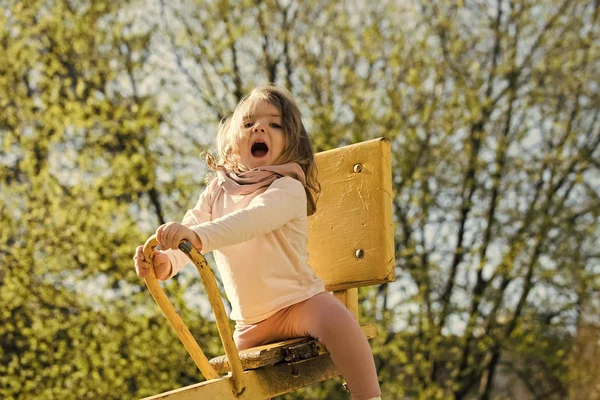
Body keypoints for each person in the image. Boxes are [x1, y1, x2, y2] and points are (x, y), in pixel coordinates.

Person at [133, 85, 382, 400]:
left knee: (337, 320)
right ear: (233, 142)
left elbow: (250, 221)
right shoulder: (218, 192)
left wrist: (197, 237)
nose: (260, 128)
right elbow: (193, 226)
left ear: (291, 145)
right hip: (249, 324)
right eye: (248, 123)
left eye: (274, 124)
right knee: (237, 390)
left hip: (298, 305)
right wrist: (167, 261)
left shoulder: (288, 189)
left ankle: (368, 396)